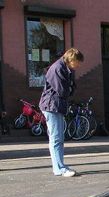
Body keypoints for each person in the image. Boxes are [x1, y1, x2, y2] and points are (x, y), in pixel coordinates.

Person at [39, 48, 84, 177]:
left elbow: (71, 88)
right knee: (56, 138)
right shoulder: (58, 69)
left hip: (56, 105)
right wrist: (69, 88)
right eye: (78, 62)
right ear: (71, 59)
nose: (78, 65)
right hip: (51, 105)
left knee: (58, 137)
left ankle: (60, 165)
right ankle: (59, 168)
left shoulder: (66, 69)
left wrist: (69, 87)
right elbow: (63, 91)